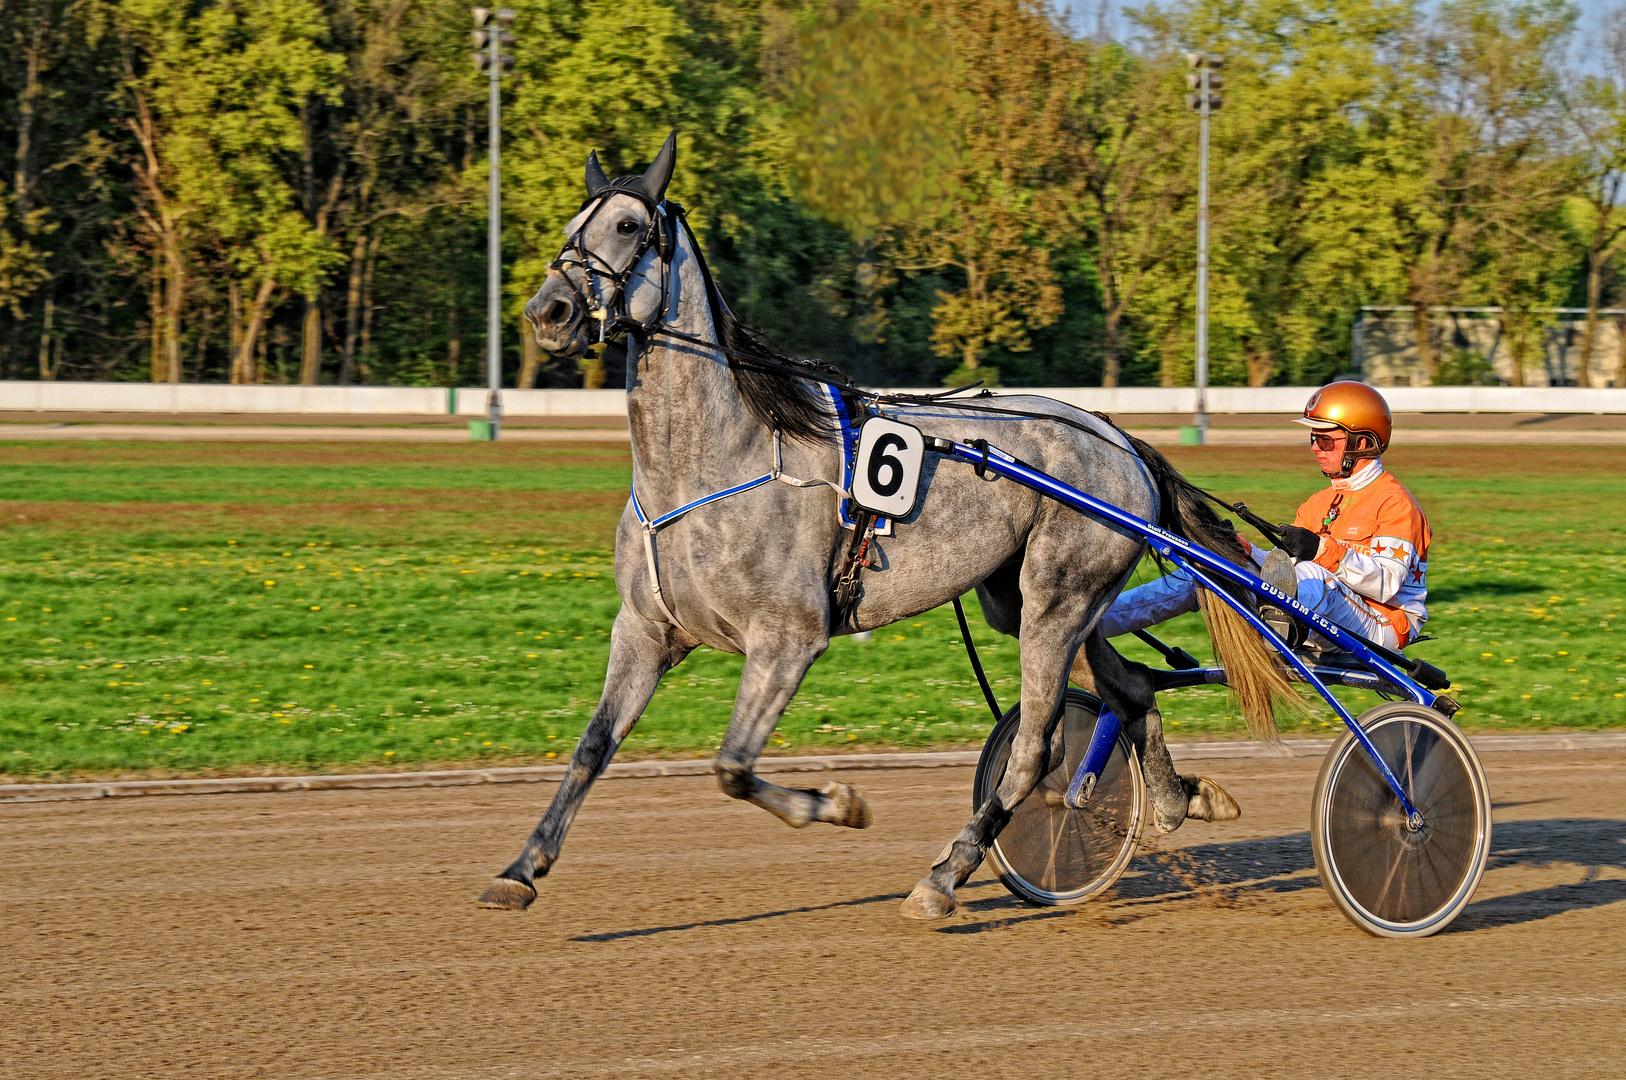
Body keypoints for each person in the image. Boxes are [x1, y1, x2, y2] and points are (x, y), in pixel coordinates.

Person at [1100, 381, 1431, 651]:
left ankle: (1275, 636)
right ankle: (1093, 623)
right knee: (1209, 570)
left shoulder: (1395, 502)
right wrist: (1242, 551)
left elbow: (1386, 584)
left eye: (1326, 439)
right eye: (1313, 438)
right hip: (1319, 613)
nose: (1315, 447)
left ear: (1363, 442)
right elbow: (1287, 572)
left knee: (1318, 581)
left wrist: (1320, 550)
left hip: (1384, 624)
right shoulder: (1319, 502)